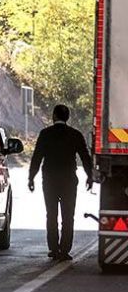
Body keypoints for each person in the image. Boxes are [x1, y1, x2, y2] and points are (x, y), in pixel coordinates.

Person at [28, 105, 94, 261]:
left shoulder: (45, 134)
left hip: (49, 181)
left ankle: (53, 248)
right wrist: (90, 176)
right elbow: (85, 157)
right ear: (67, 118)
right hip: (69, 181)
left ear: (54, 116)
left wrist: (31, 177)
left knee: (51, 214)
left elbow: (37, 157)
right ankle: (64, 250)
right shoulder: (75, 135)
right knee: (68, 216)